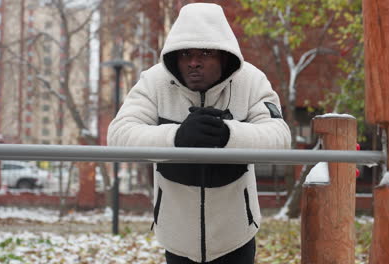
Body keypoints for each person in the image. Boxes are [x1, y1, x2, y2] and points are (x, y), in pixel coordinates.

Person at [107, 3, 291, 264]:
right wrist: (176, 138)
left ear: (224, 55)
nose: (193, 62)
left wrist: (229, 135)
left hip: (236, 235)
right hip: (177, 237)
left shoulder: (251, 81)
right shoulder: (153, 82)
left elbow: (280, 138)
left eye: (205, 53)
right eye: (185, 54)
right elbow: (118, 136)